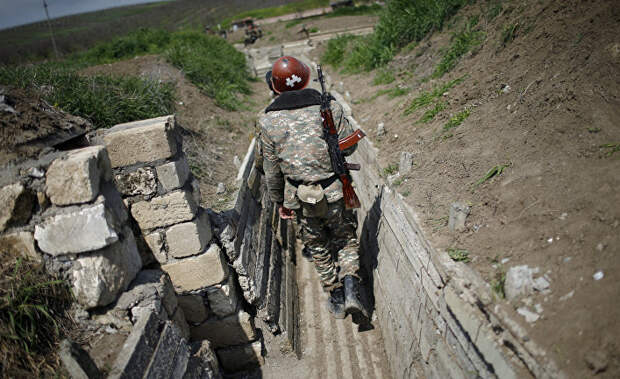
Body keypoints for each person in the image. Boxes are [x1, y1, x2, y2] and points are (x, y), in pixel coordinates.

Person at [258, 56, 364, 319]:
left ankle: (336, 294)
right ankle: (351, 285)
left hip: (300, 197)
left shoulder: (268, 122)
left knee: (316, 244)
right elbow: (349, 146)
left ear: (275, 86)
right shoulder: (329, 108)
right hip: (335, 189)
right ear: (305, 78)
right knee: (345, 238)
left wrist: (278, 201)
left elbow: (272, 170)